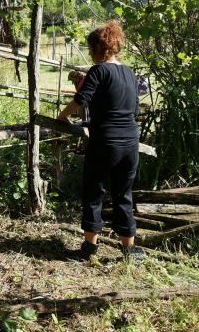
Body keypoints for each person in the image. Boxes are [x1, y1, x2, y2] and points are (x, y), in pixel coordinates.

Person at [57, 21, 145, 260]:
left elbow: (82, 98)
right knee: (123, 194)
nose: (89, 53)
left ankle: (89, 248)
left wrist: (62, 116)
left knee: (94, 191)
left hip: (106, 142)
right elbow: (134, 110)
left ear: (98, 48)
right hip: (130, 143)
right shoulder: (129, 73)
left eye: (90, 48)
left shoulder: (99, 71)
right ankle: (129, 248)